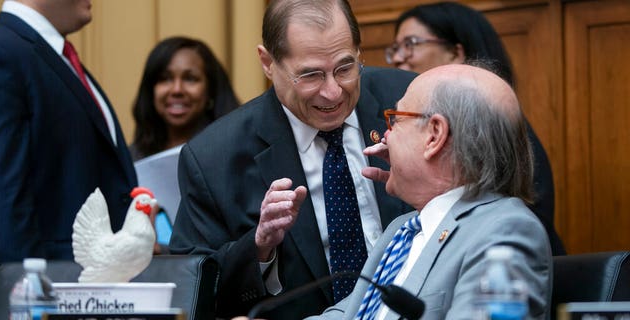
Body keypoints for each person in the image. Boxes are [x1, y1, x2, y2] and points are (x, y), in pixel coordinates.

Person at [169, 0, 416, 318]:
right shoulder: (214, 159)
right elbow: (192, 286)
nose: (333, 92)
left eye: (345, 68)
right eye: (311, 75)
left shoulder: (406, 101)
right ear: (268, 63)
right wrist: (258, 248)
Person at [307, 63, 552, 320]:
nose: (385, 138)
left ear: (434, 135)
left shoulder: (505, 232)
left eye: (395, 120)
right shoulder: (402, 230)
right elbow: (349, 314)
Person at [385, 1, 565, 255]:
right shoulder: (399, 231)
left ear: (456, 54)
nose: (400, 57)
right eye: (395, 48)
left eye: (411, 44)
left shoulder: (500, 126)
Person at [0, 0, 137, 270]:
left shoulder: (54, 56)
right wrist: (27, 298)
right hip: (50, 295)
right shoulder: (1, 53)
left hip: (96, 289)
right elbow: (2, 199)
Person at [129, 36, 240, 161]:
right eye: (165, 78)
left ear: (211, 90)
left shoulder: (235, 154)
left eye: (190, 79)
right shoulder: (131, 160)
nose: (177, 90)